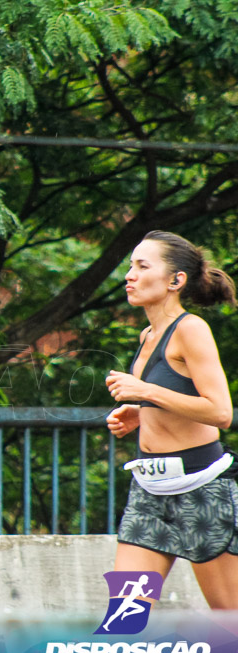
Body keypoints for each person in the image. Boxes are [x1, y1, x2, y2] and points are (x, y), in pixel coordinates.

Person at [105, 230, 238, 609]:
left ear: (176, 281)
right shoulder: (149, 334)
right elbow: (176, 397)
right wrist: (141, 412)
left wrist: (144, 393)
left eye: (142, 266)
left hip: (203, 489)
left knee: (230, 622)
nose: (129, 275)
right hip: (149, 492)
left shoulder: (191, 329)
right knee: (123, 621)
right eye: (130, 266)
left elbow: (220, 411)